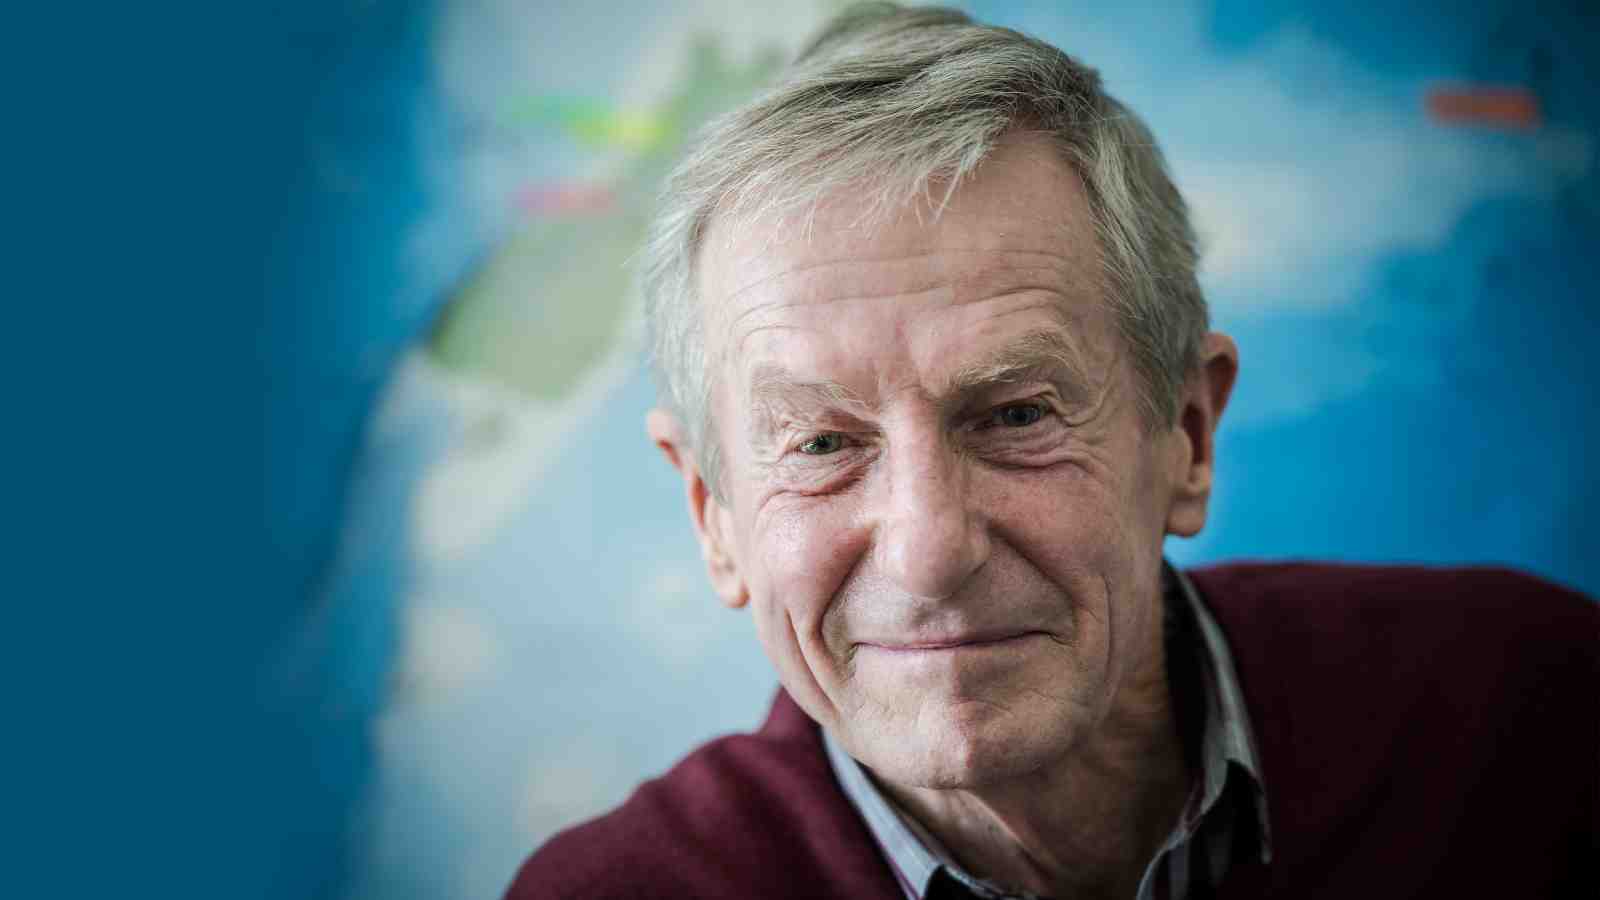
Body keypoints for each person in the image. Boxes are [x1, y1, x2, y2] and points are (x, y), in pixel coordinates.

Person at [506, 5, 1599, 898]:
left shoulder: (1530, 719)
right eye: (825, 441)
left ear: (1184, 436)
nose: (929, 552)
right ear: (714, 514)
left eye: (1017, 415)